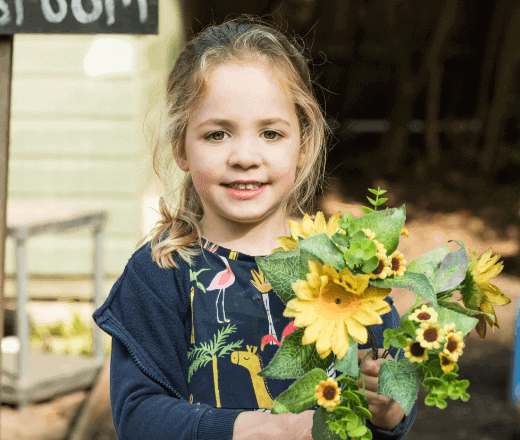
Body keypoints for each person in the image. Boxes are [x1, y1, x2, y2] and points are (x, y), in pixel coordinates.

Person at [92, 16, 417, 440]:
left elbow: (393, 388)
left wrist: (388, 409)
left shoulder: (347, 267)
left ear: (303, 144)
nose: (245, 156)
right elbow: (138, 415)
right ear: (180, 148)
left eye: (270, 133)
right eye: (217, 135)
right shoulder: (160, 273)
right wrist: (246, 428)